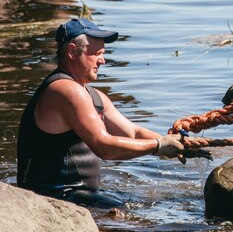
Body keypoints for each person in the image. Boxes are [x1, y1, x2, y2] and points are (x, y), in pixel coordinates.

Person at [17, 18, 185, 209]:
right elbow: (104, 147)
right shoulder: (66, 91)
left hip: (81, 193)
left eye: (103, 53)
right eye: (96, 53)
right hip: (52, 194)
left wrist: (178, 144)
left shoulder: (93, 95)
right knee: (126, 213)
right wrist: (158, 145)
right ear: (72, 51)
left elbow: (132, 132)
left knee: (145, 205)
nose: (102, 60)